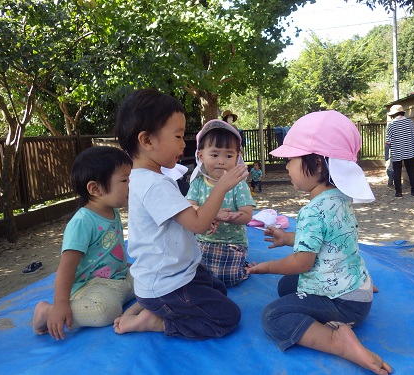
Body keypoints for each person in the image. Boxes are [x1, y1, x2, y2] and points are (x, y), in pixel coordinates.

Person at [246, 111, 393, 375]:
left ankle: (337, 341)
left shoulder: (312, 210)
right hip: (357, 294)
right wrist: (289, 238)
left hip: (343, 305)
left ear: (315, 163)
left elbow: (303, 261)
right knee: (286, 287)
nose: (287, 166)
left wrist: (265, 267)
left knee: (273, 315)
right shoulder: (341, 197)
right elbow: (330, 241)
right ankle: (361, 283)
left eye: (291, 159)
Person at [113, 89, 248, 339]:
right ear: (147, 140)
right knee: (227, 317)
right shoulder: (155, 184)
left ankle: (147, 303)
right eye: (178, 136)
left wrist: (209, 217)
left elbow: (183, 219)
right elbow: (196, 224)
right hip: (167, 283)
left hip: (175, 273)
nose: (183, 144)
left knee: (219, 290)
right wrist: (221, 186)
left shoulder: (149, 178)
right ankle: (157, 322)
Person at [32, 146, 135, 340]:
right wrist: (60, 303)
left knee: (149, 278)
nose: (131, 185)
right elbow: (66, 267)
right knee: (106, 310)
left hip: (118, 279)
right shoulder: (82, 222)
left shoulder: (111, 210)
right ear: (95, 188)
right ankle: (47, 312)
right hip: (90, 286)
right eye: (124, 180)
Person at [186, 120, 255, 287]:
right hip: (202, 241)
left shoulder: (239, 185)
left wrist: (227, 218)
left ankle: (241, 266)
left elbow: (247, 215)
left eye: (229, 155)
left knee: (228, 278)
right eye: (215, 155)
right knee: (187, 273)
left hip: (232, 244)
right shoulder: (198, 183)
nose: (221, 161)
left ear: (237, 157)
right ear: (201, 156)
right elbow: (189, 207)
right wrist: (212, 214)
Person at [385, 104, 414, 198]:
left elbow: (388, 142)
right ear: (402, 112)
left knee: (397, 171)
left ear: (393, 114)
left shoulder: (391, 125)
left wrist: (386, 154)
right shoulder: (411, 123)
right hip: (409, 151)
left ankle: (398, 193)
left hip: (396, 152)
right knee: (411, 171)